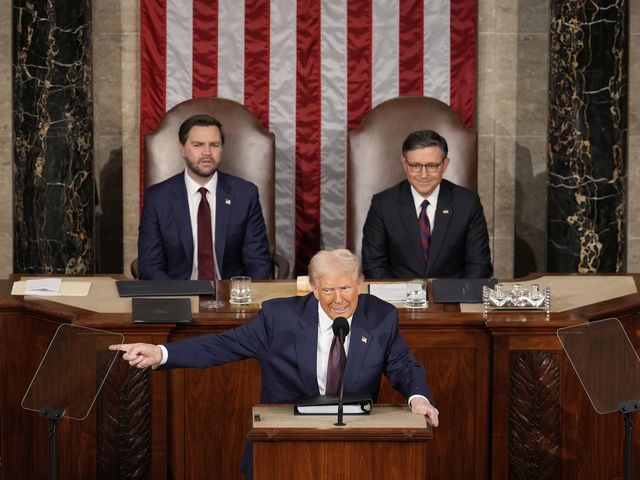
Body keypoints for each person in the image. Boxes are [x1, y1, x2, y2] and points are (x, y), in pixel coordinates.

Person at [111, 248, 438, 478]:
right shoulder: (279, 318)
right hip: (284, 444)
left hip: (355, 447)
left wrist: (419, 398)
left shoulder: (380, 316)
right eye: (327, 290)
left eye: (345, 288)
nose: (338, 299)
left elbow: (403, 365)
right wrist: (161, 353)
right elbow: (224, 345)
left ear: (360, 283)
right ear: (312, 288)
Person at [137, 114, 271, 280]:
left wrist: (242, 296)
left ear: (222, 148)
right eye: (198, 145)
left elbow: (258, 262)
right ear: (182, 149)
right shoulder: (158, 198)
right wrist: (178, 297)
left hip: (232, 297)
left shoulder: (245, 194)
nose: (207, 152)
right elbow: (150, 265)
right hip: (178, 296)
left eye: (214, 145)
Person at [361, 129, 492, 279]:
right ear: (404, 164)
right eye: (415, 166)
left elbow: (479, 265)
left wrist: (460, 297)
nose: (423, 175)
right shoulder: (383, 204)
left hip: (453, 298)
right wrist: (396, 298)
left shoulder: (467, 203)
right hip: (397, 299)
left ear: (445, 165)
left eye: (432, 166)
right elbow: (373, 265)